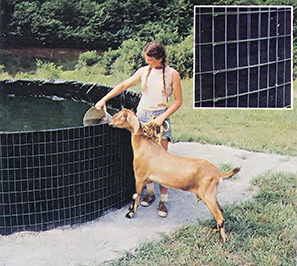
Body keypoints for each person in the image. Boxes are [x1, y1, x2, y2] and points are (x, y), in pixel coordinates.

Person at [95, 40, 182, 217]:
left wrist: (162, 118)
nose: (147, 63)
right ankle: (149, 193)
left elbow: (178, 101)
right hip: (141, 117)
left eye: (150, 60)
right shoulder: (143, 71)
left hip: (160, 119)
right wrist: (104, 99)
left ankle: (163, 200)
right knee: (144, 160)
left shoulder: (173, 74)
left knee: (161, 160)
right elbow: (123, 86)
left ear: (159, 59)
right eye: (147, 60)